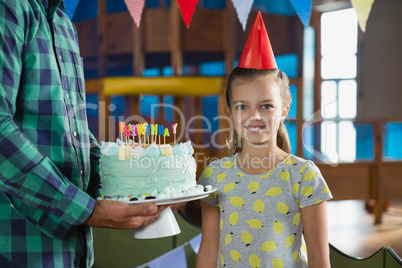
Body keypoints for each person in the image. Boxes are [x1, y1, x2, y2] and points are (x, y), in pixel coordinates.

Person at [0, 0, 172, 267]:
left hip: (74, 255)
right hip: (18, 250)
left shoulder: (64, 24)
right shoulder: (9, 8)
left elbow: (73, 135)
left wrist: (140, 185)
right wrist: (87, 210)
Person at [196, 12, 332, 268]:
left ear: (284, 110)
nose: (254, 116)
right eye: (242, 106)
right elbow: (208, 250)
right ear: (228, 111)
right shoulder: (214, 176)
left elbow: (319, 260)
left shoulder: (303, 175)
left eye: (267, 106)